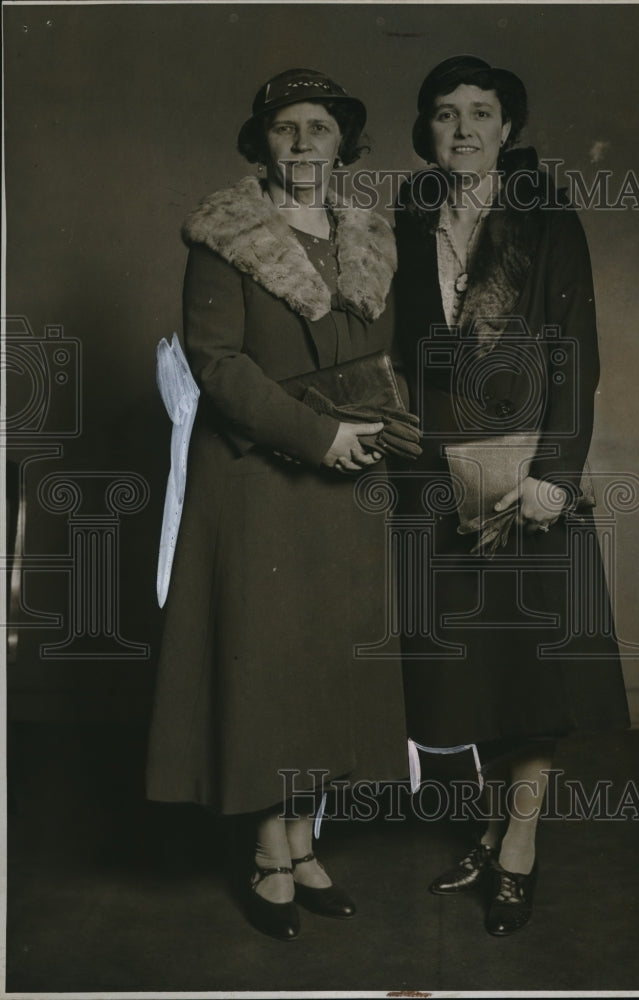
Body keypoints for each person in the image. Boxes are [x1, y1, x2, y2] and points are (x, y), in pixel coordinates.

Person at [146, 68, 415, 941]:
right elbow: (217, 365)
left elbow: (381, 357)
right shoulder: (223, 236)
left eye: (321, 128)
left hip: (354, 475)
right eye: (286, 128)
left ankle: (304, 842)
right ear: (260, 142)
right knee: (266, 668)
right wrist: (314, 436)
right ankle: (269, 852)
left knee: (326, 669)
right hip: (261, 475)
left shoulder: (369, 235)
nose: (303, 143)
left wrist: (380, 428)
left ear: (345, 144)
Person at [393, 55, 630, 936]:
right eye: (446, 114)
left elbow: (578, 353)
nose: (463, 129)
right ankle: (490, 830)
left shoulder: (548, 219)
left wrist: (553, 481)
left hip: (527, 477)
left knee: (531, 677)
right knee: (470, 679)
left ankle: (519, 849)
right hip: (435, 478)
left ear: (508, 129)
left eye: (481, 113)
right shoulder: (406, 219)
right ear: (426, 130)